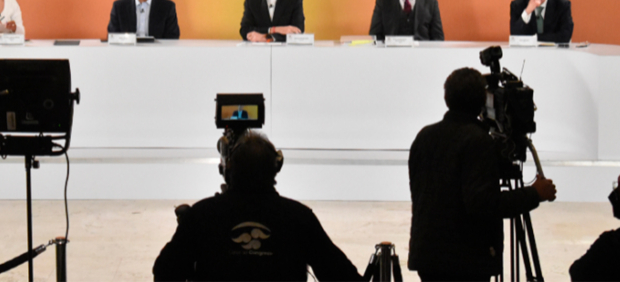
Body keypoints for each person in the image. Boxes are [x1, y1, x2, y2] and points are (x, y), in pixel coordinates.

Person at [408, 68, 556, 282]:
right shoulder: (477, 142)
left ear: (446, 97)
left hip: (428, 256)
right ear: (482, 100)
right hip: (465, 263)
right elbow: (484, 205)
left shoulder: (424, 136)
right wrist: (534, 194)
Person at [152, 132, 362, 281]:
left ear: (229, 169)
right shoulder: (299, 218)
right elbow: (342, 275)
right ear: (275, 169)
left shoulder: (200, 215)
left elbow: (164, 271)